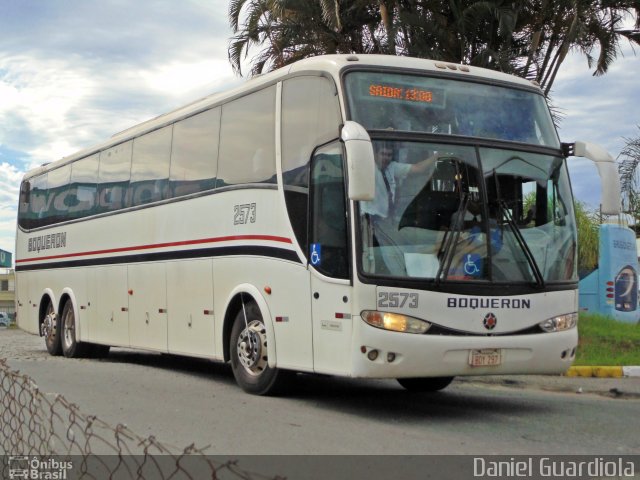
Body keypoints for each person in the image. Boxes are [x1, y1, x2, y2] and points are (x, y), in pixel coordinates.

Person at [361, 142, 439, 275]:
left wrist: (437, 156)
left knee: (404, 249)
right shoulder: (368, 166)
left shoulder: (391, 167)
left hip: (387, 223)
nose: (386, 158)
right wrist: (383, 135)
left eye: (389, 155)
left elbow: (418, 168)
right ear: (374, 154)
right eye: (383, 154)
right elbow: (362, 149)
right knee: (385, 258)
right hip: (370, 223)